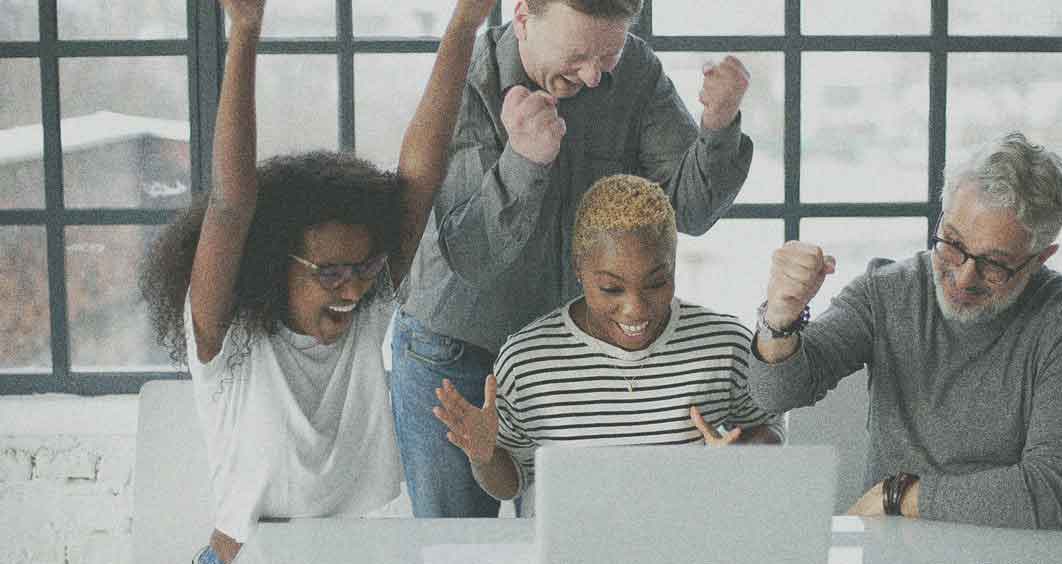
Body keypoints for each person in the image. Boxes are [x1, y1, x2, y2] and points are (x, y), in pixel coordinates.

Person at [138, 0, 494, 561]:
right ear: (276, 264)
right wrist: (245, 31)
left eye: (366, 267)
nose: (352, 290)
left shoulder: (365, 311)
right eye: (330, 273)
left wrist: (464, 25)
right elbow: (231, 206)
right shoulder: (228, 342)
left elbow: (420, 175)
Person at [389, 0, 756, 518]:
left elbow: (689, 210)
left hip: (563, 354)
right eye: (577, 54)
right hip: (455, 347)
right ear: (521, 18)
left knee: (574, 533)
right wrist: (524, 160)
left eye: (607, 56)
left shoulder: (635, 72)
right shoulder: (472, 79)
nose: (592, 76)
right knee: (456, 542)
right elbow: (471, 255)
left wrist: (719, 126)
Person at [748, 132, 1062, 529]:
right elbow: (777, 392)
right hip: (893, 547)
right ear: (942, 216)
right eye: (952, 243)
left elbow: (1051, 493)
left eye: (994, 263)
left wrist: (899, 495)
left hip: (1009, 548)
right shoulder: (887, 290)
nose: (962, 276)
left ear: (1040, 258)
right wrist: (780, 317)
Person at [431, 174, 783, 515]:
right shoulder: (527, 361)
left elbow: (768, 433)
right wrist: (484, 455)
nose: (636, 308)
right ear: (579, 269)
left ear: (674, 266)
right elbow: (512, 483)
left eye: (657, 282)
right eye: (612, 288)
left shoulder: (725, 344)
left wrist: (742, 460)